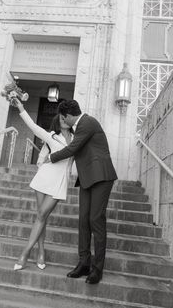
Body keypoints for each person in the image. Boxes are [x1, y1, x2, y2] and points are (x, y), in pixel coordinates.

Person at [48, 100, 117, 284]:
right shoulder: (78, 126)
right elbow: (73, 144)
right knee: (83, 220)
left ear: (67, 116)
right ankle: (84, 263)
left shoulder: (87, 122)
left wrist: (50, 157)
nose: (62, 121)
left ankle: (97, 269)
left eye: (63, 118)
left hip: (101, 176)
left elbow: (72, 148)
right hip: (87, 178)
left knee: (96, 219)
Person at [12, 98, 74, 271]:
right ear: (58, 121)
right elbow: (33, 126)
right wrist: (22, 108)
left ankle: (29, 252)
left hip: (59, 182)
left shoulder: (77, 138)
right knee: (41, 216)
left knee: (42, 215)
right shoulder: (52, 137)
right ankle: (35, 253)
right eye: (61, 118)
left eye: (66, 117)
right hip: (44, 178)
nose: (63, 120)